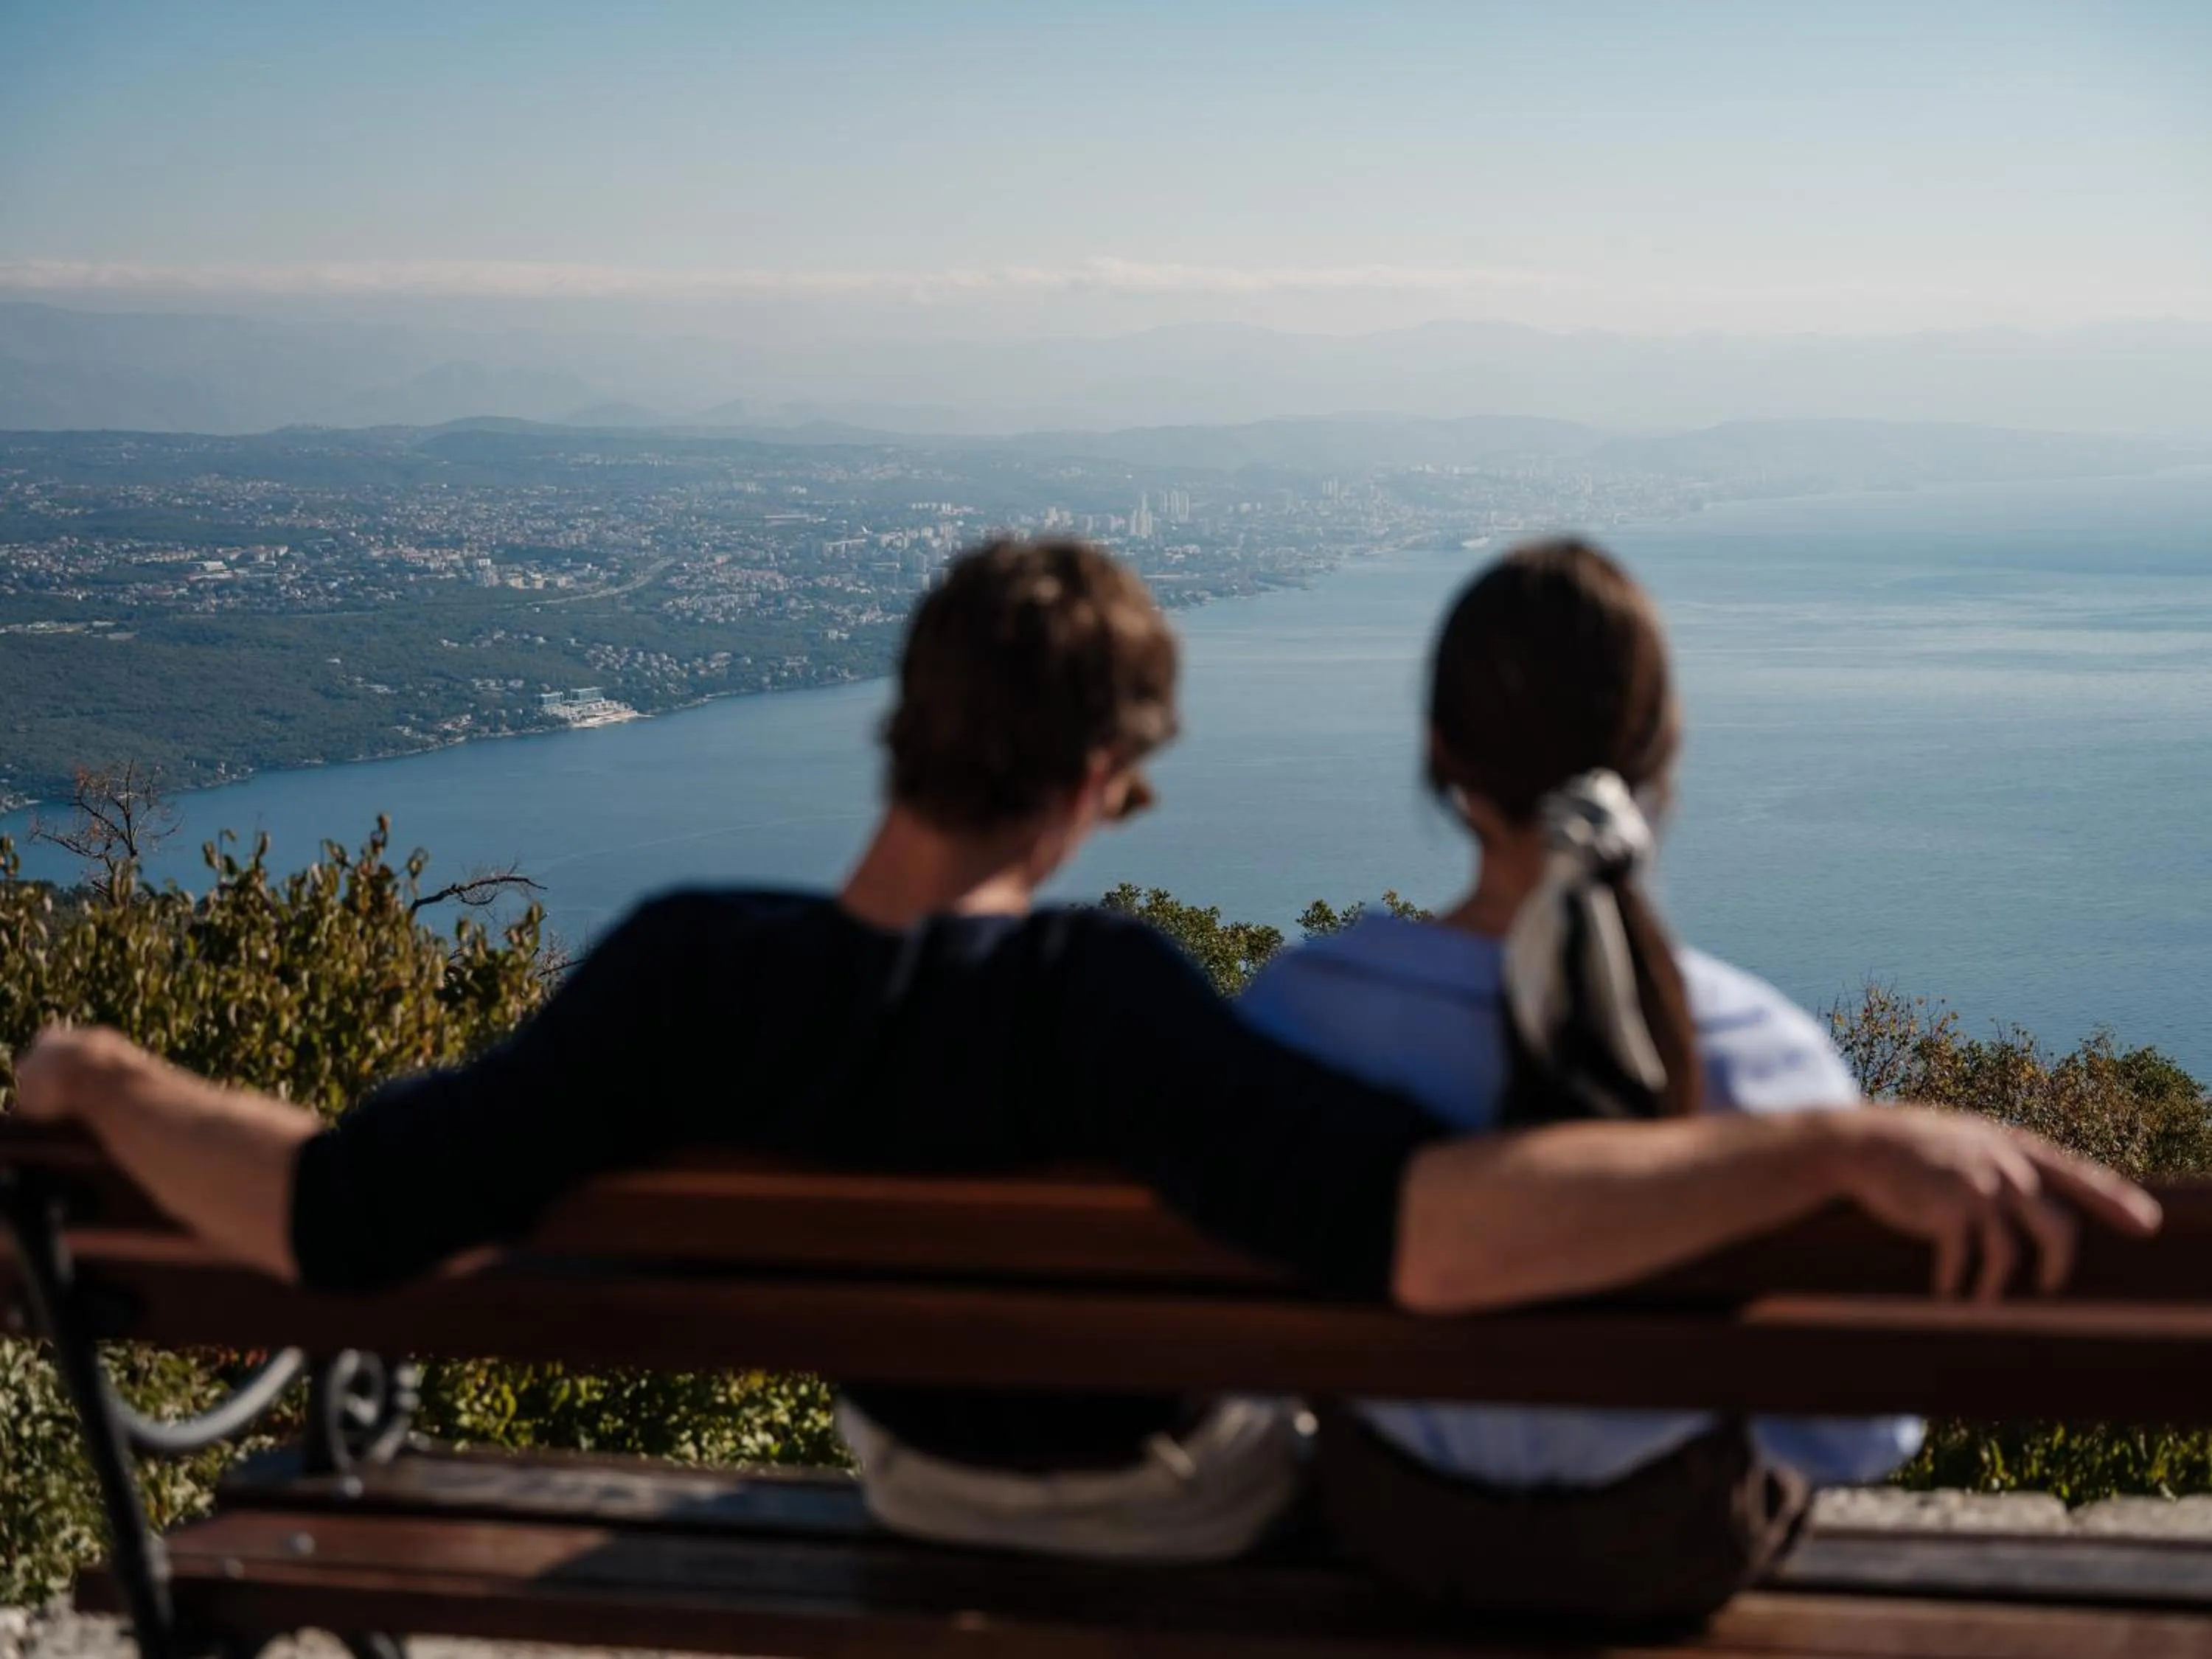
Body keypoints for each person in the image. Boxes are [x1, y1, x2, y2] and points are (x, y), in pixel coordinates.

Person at [10, 538, 2159, 1568]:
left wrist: (103, 1078)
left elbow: (326, 1205)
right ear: (1114, 783)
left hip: (905, 1492)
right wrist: (1832, 1145)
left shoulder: (684, 973)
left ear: (906, 724)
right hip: (1168, 1520)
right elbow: (1422, 1226)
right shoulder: (1105, 1002)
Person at [1233, 538, 1941, 1617]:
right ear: (1660, 762)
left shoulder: (1299, 1010)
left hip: (1391, 1527)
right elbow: (1864, 1432)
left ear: (1442, 757)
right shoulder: (1768, 1057)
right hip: (1672, 1557)